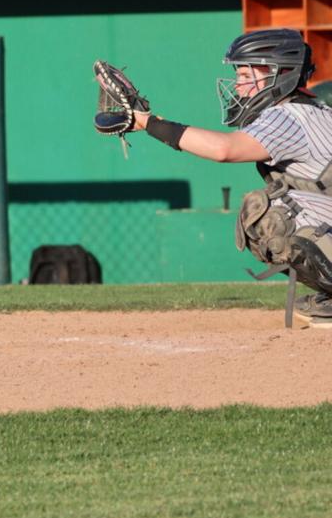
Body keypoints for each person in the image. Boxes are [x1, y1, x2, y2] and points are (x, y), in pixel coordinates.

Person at [115, 28, 332, 327]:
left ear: (279, 73)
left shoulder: (288, 116)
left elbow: (223, 149)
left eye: (245, 75)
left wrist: (149, 123)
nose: (238, 85)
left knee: (267, 212)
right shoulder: (312, 111)